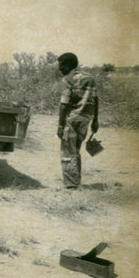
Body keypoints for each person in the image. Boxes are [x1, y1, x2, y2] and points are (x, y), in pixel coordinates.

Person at [56, 52, 98, 189]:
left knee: (68, 152)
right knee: (76, 151)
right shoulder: (90, 78)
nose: (60, 68)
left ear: (68, 65)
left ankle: (71, 185)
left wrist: (60, 125)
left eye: (61, 65)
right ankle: (76, 180)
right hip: (86, 119)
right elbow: (96, 100)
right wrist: (96, 120)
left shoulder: (68, 79)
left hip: (72, 119)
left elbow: (63, 105)